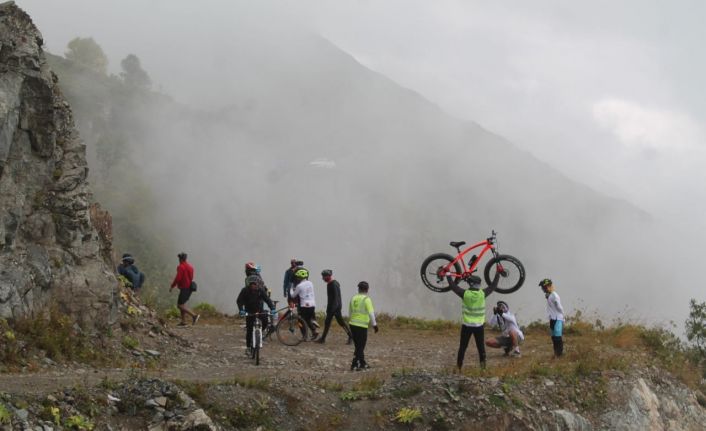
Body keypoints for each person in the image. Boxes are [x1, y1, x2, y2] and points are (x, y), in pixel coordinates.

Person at [448, 273, 500, 370]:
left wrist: (448, 274)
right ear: (478, 284)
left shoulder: (465, 294)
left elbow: (453, 286)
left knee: (463, 347)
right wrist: (497, 273)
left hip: (466, 326)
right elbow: (493, 286)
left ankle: (458, 367)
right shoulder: (482, 294)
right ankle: (483, 369)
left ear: (470, 284)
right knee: (481, 348)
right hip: (479, 326)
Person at [237, 275, 276, 353]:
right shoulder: (244, 290)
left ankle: (260, 333)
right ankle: (248, 347)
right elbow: (239, 301)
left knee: (265, 321)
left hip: (259, 311)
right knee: (249, 330)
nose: (254, 286)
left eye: (255, 284)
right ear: (250, 284)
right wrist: (241, 310)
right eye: (252, 284)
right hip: (249, 312)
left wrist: (272, 308)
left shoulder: (261, 291)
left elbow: (267, 300)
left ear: (258, 284)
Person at [316, 269, 353, 344]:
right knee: (332, 322)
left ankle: (351, 336)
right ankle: (323, 339)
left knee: (338, 322)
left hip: (335, 307)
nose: (322, 278)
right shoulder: (330, 283)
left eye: (324, 277)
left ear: (328, 276)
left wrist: (333, 309)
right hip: (333, 307)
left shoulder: (333, 284)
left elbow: (336, 297)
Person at [348, 281, 378, 371]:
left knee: (358, 345)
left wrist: (351, 321)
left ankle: (362, 363)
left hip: (352, 324)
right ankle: (354, 364)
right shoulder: (366, 299)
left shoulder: (353, 298)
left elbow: (350, 311)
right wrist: (374, 325)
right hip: (361, 325)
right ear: (367, 289)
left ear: (359, 289)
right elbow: (371, 313)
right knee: (361, 346)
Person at [170, 252, 199, 326]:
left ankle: (194, 316)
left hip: (184, 288)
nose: (178, 259)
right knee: (182, 305)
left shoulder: (181, 267)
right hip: (189, 288)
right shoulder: (190, 267)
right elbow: (191, 277)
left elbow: (178, 278)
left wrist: (172, 286)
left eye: (179, 258)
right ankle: (183, 322)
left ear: (181, 259)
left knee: (179, 305)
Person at [288, 268, 319, 340]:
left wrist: (291, 289)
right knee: (308, 319)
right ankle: (314, 331)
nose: (297, 278)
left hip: (304, 305)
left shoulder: (299, 286)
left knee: (300, 320)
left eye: (298, 277)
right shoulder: (311, 283)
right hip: (312, 305)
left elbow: (293, 295)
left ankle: (304, 336)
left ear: (300, 277)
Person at [539, 278, 564, 357]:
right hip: (552, 318)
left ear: (548, 286)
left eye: (544, 287)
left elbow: (560, 307)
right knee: (553, 337)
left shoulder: (554, 295)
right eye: (542, 288)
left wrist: (563, 317)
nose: (543, 289)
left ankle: (559, 354)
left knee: (557, 337)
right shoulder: (549, 295)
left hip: (558, 318)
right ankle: (556, 353)